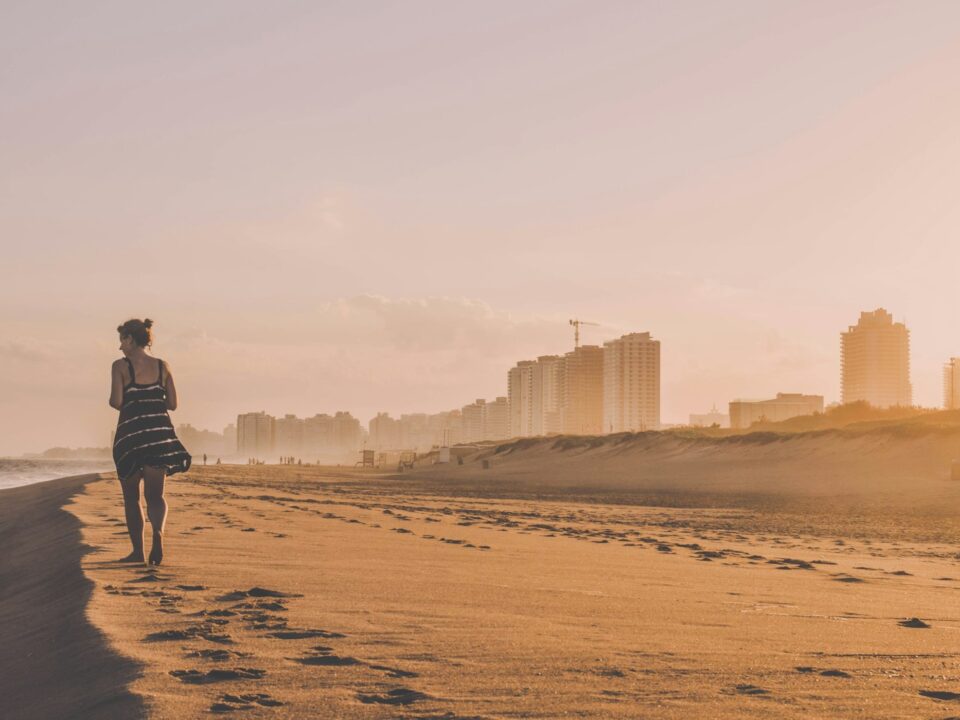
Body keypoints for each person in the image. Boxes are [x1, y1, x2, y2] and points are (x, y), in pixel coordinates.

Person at [109, 318, 191, 566]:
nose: (120, 347)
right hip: (159, 436)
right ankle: (158, 532)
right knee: (155, 497)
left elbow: (116, 401)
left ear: (130, 340)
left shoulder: (120, 367)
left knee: (132, 498)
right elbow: (173, 404)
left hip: (131, 437)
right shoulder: (163, 366)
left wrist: (136, 402)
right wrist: (153, 401)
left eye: (122, 340)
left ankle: (137, 553)